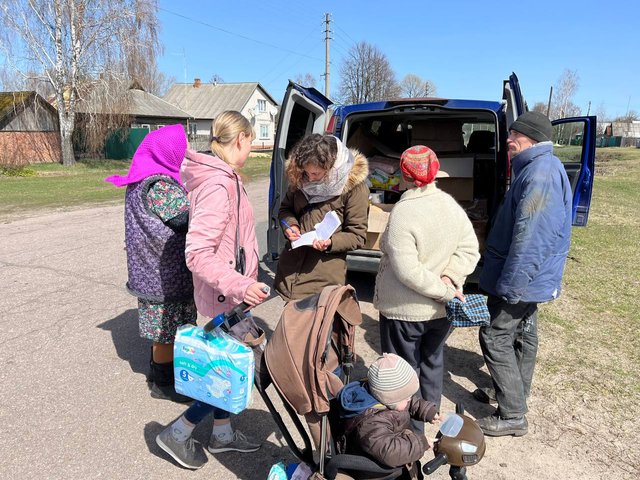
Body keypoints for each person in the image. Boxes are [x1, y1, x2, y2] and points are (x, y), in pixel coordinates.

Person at [155, 111, 270, 469]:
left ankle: (221, 434)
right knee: (226, 372)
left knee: (225, 367)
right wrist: (242, 284)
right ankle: (177, 432)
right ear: (240, 140)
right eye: (251, 142)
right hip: (228, 297)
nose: (250, 149)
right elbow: (198, 254)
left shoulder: (227, 178)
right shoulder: (218, 186)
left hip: (233, 295)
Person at [476, 111, 572, 437]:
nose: (508, 140)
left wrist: (511, 286)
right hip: (533, 280)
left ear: (531, 139)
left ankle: (513, 414)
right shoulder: (536, 168)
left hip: (523, 279)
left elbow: (532, 240)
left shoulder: (540, 174)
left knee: (494, 335)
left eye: (514, 135)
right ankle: (511, 392)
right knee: (523, 334)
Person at [373, 145, 480, 432]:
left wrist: (445, 289)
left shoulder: (403, 212)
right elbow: (470, 249)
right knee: (432, 363)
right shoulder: (450, 205)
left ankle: (412, 432)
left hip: (405, 312)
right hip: (441, 312)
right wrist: (450, 278)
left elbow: (408, 272)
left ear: (403, 176)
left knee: (403, 374)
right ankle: (432, 418)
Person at [105, 124, 195, 403]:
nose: (186, 156)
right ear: (169, 153)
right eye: (183, 151)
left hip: (150, 268)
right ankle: (163, 382)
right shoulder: (159, 185)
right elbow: (184, 219)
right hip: (163, 272)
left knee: (165, 326)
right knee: (167, 328)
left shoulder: (141, 178)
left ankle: (162, 368)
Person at [274, 134, 369, 301]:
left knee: (318, 325)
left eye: (316, 173)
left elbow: (357, 235)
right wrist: (290, 226)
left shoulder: (354, 189)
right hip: (291, 271)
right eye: (306, 172)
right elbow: (285, 209)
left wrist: (330, 243)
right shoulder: (299, 178)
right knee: (292, 324)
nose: (309, 178)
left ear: (333, 167)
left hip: (323, 277)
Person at [336, 353, 440, 469]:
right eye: (406, 397)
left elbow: (408, 403)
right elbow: (390, 452)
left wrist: (427, 410)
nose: (410, 399)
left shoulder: (387, 399)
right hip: (376, 471)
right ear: (389, 400)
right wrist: (421, 443)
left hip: (396, 444)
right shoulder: (370, 424)